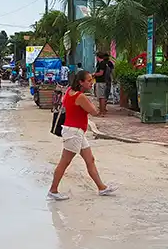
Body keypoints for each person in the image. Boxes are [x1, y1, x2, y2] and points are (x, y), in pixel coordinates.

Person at [48, 70, 117, 200]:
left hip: (76, 131)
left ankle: (101, 187)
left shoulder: (69, 91)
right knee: (64, 162)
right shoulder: (80, 97)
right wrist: (91, 101)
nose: (91, 83)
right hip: (74, 132)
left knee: (90, 159)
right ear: (81, 82)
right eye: (89, 81)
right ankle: (53, 190)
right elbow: (94, 111)